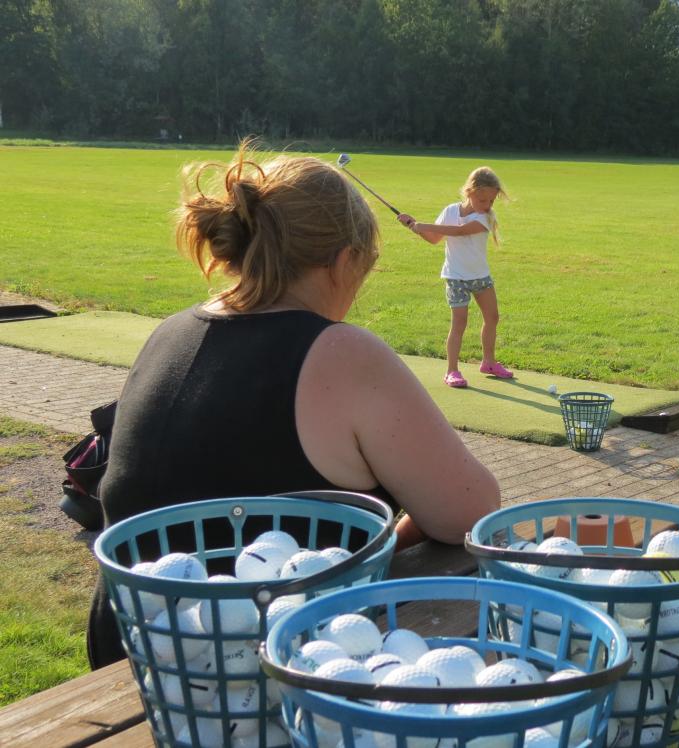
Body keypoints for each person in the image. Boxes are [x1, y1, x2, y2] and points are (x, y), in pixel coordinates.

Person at [87, 142, 500, 668]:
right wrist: (382, 544)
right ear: (343, 262)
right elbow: (472, 511)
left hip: (127, 646)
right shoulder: (342, 353)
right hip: (248, 668)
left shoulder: (168, 332)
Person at [396, 167, 512, 388]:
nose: (487, 205)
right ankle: (452, 371)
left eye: (491, 201)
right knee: (459, 323)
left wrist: (423, 225)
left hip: (480, 276)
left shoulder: (485, 217)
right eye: (483, 200)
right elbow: (434, 238)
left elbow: (459, 231)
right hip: (455, 276)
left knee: (492, 317)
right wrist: (413, 226)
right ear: (469, 192)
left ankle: (488, 362)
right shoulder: (450, 211)